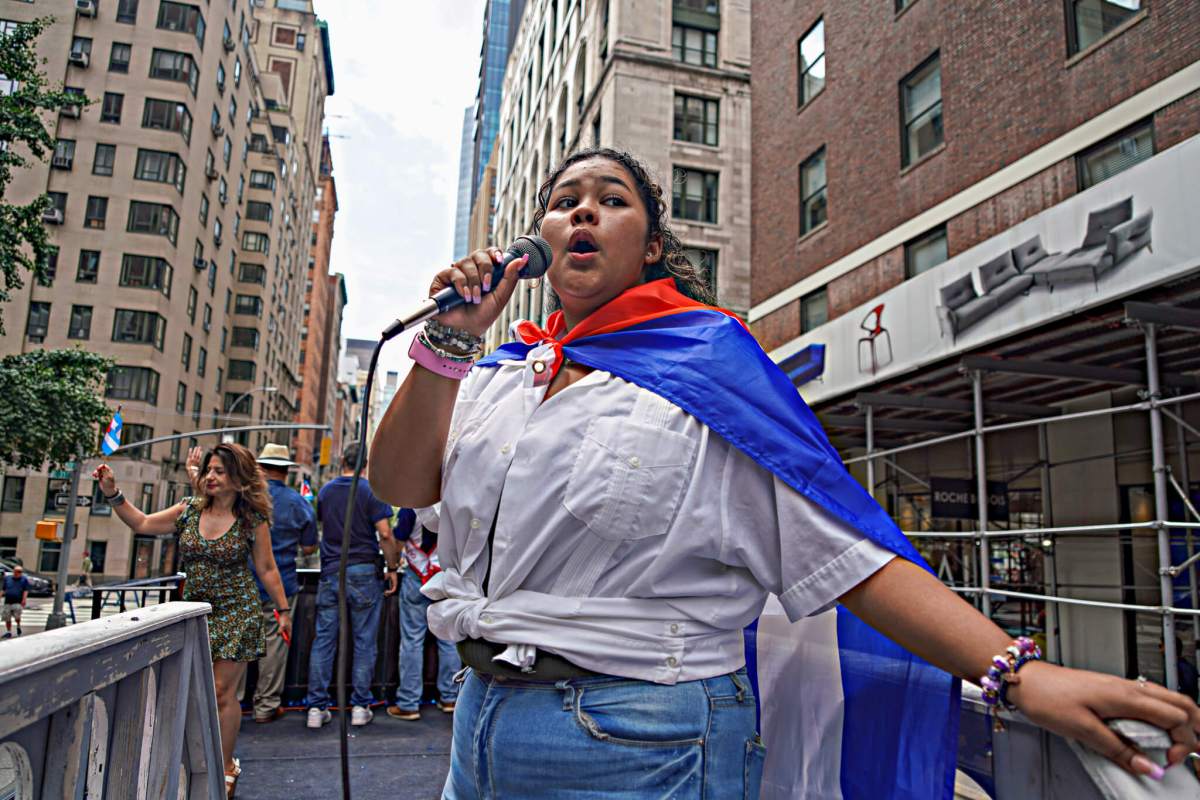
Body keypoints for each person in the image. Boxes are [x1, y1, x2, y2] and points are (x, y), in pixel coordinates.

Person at [368, 147, 1200, 798]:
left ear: (652, 246)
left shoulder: (710, 366)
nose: (582, 209)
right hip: (479, 722)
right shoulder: (499, 374)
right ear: (536, 245)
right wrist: (451, 340)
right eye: (564, 201)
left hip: (642, 740)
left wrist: (1019, 675)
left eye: (611, 200)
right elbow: (402, 485)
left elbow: (843, 553)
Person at [95, 442, 291, 799]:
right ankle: (192, 759)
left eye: (220, 471)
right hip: (195, 611)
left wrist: (283, 609)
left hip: (237, 610)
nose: (211, 477)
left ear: (238, 479)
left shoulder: (251, 519)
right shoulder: (188, 510)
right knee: (190, 691)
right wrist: (113, 493)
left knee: (221, 691)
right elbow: (142, 522)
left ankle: (226, 765)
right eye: (208, 470)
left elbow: (266, 567)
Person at [304, 442, 399, 729]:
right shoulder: (371, 491)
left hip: (331, 571)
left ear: (342, 461)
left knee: (324, 640)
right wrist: (392, 567)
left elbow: (323, 526)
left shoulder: (326, 491)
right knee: (364, 641)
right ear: (365, 464)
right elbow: (385, 534)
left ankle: (316, 708)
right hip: (364, 573)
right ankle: (359, 706)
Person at [247, 443, 318, 723]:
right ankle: (266, 706)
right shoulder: (299, 503)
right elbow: (310, 547)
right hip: (282, 586)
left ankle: (228, 701)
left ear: (261, 469)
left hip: (244, 583)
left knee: (236, 644)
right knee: (274, 644)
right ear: (286, 471)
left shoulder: (245, 499)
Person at [387, 505, 462, 720]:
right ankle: (450, 698)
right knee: (449, 640)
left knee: (412, 640)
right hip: (446, 577)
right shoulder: (454, 503)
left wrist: (392, 566)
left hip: (416, 577)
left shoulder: (411, 506)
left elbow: (398, 539)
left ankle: (408, 703)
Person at [2, 565, 29, 638]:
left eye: (20, 572)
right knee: (7, 617)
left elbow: (25, 590)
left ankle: (18, 625)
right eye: (17, 571)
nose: (18, 573)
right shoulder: (8, 578)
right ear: (14, 571)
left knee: (17, 617)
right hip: (8, 601)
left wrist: (24, 599)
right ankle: (9, 632)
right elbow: (3, 589)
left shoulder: (24, 580)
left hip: (18, 601)